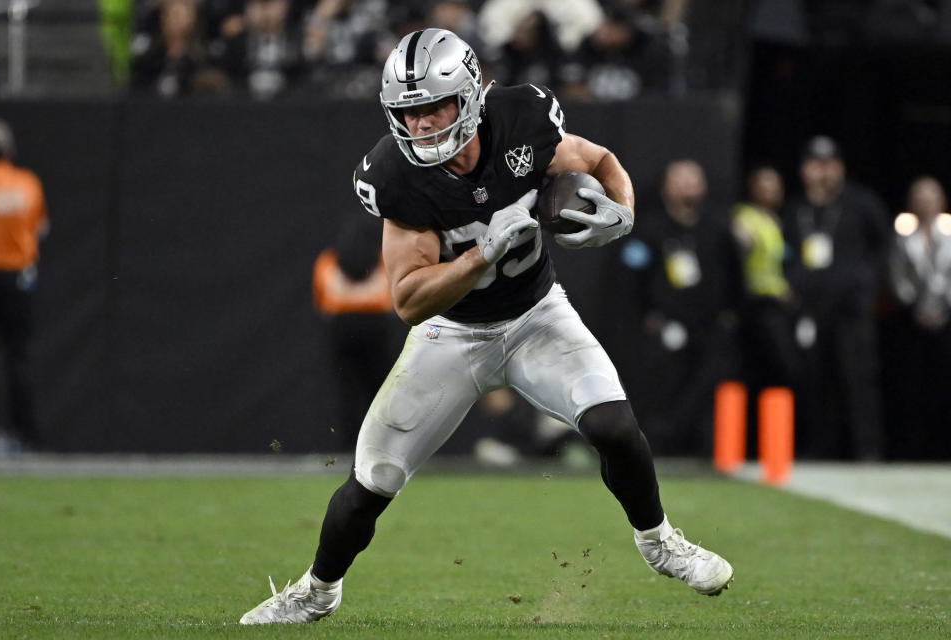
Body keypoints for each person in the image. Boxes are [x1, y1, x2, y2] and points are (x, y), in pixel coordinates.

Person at [239, 28, 732, 625]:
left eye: (432, 108)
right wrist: (480, 255)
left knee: (615, 425)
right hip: (451, 334)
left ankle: (658, 543)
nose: (420, 126)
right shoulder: (395, 174)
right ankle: (317, 592)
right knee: (371, 482)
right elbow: (409, 299)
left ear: (470, 96)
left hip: (536, 314)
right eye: (408, 112)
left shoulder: (522, 118)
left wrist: (621, 210)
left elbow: (599, 161)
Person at [608, 159, 739, 456]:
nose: (687, 187)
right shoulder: (651, 231)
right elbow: (631, 279)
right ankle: (662, 448)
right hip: (668, 328)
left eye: (693, 180)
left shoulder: (719, 229)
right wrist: (648, 316)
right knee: (664, 389)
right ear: (667, 187)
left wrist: (730, 315)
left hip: (710, 328)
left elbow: (735, 275)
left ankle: (707, 453)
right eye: (680, 180)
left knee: (708, 389)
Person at [782, 135, 889, 460]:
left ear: (840, 168)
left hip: (851, 309)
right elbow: (784, 254)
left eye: (828, 165)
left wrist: (866, 284)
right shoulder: (796, 209)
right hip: (810, 311)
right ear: (804, 170)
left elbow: (884, 248)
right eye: (815, 165)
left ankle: (868, 452)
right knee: (817, 383)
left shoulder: (861, 203)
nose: (822, 173)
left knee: (858, 381)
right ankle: (820, 451)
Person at [311, 216, 400, 450]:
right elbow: (394, 296)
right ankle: (381, 446)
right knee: (380, 390)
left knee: (347, 391)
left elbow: (321, 302)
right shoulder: (382, 261)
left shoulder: (327, 261)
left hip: (341, 329)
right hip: (376, 328)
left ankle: (350, 448)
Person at [0, 120, 48, 454]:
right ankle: (22, 435)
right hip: (15, 278)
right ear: (9, 150)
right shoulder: (27, 183)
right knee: (18, 359)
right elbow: (40, 228)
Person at [884, 176, 951, 458]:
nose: (925, 202)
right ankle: (911, 449)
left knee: (944, 385)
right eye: (919, 197)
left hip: (946, 320)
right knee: (912, 387)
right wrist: (914, 308)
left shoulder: (948, 235)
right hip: (912, 320)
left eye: (931, 196)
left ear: (941, 201)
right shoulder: (903, 235)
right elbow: (896, 276)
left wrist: (945, 309)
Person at [731, 165, 801, 390]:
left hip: (781, 303)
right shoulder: (745, 217)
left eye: (775, 186)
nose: (770, 191)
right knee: (775, 366)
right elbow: (738, 252)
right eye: (764, 185)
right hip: (758, 303)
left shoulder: (779, 220)